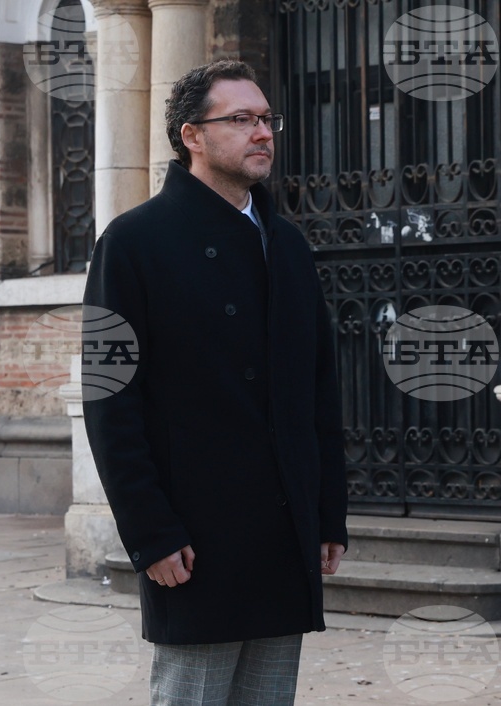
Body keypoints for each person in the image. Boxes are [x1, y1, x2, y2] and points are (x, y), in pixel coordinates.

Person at [82, 60, 348, 706]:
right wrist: (150, 532)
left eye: (267, 119)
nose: (262, 132)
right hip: (193, 539)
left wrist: (327, 513)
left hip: (284, 534)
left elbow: (319, 389)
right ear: (192, 136)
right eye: (241, 119)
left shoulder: (288, 245)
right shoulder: (132, 243)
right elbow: (110, 401)